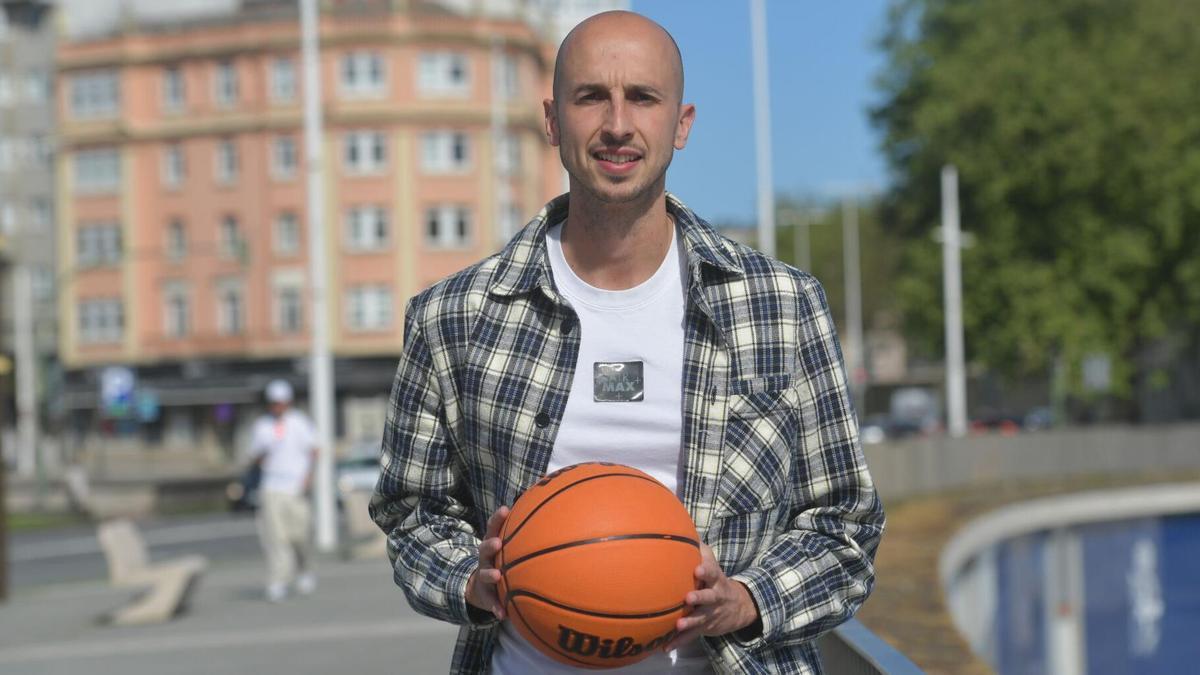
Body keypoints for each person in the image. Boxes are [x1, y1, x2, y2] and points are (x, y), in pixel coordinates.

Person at [372, 10, 885, 674]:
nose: (618, 123)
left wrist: (748, 600)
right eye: (592, 97)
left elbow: (846, 526)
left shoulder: (780, 306)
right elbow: (410, 514)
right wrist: (473, 578)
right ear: (553, 121)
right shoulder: (454, 316)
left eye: (643, 97)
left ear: (682, 123)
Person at [249, 379, 318, 603]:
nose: (277, 406)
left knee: (299, 535)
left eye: (280, 402)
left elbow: (314, 450)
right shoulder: (262, 426)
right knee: (276, 538)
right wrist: (263, 456)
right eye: (273, 403)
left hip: (295, 488)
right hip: (272, 488)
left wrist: (308, 478)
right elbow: (256, 456)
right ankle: (277, 580)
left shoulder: (299, 422)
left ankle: (304, 570)